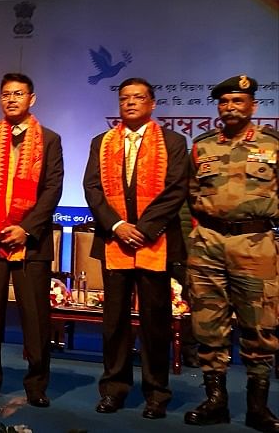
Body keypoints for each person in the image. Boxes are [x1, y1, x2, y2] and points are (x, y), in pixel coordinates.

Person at [83, 77, 188, 419]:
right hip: (115, 242)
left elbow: (175, 190)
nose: (130, 103)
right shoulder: (102, 142)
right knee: (114, 323)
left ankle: (156, 392)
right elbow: (92, 189)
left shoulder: (172, 141)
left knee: (155, 322)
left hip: (154, 242)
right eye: (124, 98)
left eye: (138, 97)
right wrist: (117, 226)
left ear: (152, 103)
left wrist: (141, 230)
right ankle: (114, 389)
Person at [184, 75, 279, 431]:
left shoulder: (272, 145)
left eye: (238, 101)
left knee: (260, 326)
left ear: (252, 105)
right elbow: (189, 195)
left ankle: (258, 407)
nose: (231, 108)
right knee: (208, 325)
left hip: (255, 244)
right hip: (208, 243)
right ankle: (215, 402)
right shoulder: (203, 146)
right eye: (225, 102)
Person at [0, 73, 63, 405]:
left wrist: (26, 228)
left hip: (31, 242)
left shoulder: (50, 140)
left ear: (31, 99)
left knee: (35, 317)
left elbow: (53, 189)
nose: (11, 99)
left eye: (18, 94)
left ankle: (36, 385)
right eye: (6, 94)